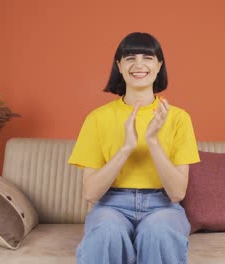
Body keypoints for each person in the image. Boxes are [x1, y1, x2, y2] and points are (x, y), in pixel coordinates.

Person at [68, 32, 200, 264]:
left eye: (147, 58)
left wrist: (152, 141)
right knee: (106, 233)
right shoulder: (97, 118)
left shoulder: (179, 118)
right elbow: (91, 194)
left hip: (163, 206)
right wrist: (127, 147)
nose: (139, 64)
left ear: (159, 65)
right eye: (130, 58)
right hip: (111, 205)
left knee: (159, 232)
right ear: (119, 66)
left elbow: (177, 193)